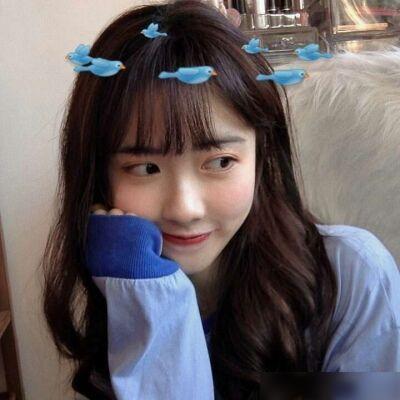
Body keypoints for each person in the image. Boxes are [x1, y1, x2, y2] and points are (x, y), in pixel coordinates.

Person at [40, 0, 400, 399]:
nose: (185, 209)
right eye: (145, 168)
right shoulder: (119, 275)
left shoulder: (349, 276)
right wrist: (147, 298)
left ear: (262, 156)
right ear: (98, 176)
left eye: (220, 161)